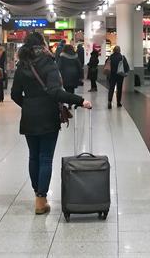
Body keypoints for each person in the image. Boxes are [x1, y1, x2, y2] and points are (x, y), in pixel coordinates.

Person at [11, 32, 91, 215]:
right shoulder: (49, 63)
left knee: (34, 156)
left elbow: (15, 94)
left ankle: (38, 195)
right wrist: (80, 100)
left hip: (29, 117)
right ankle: (41, 199)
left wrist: (29, 105)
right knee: (45, 158)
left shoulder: (21, 65)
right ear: (43, 44)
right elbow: (56, 92)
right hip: (47, 115)